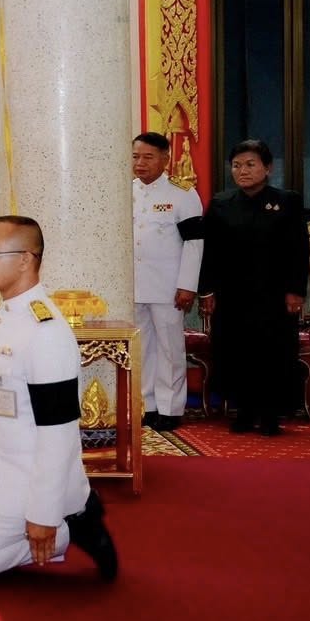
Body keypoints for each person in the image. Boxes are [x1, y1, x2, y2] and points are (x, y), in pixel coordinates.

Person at [0, 215, 118, 583]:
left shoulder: (46, 333)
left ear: (25, 260)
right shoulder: (7, 315)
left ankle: (71, 528)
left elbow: (58, 433)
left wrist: (44, 514)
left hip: (29, 480)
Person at [199, 140, 309, 435]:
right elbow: (209, 252)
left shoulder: (287, 201)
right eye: (236, 165)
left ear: (267, 168)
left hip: (275, 294)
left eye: (250, 164)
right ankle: (244, 411)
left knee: (274, 351)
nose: (242, 171)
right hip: (232, 294)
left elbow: (298, 249)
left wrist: (296, 290)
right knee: (236, 350)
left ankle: (271, 414)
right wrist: (207, 290)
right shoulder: (221, 203)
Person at [131, 131, 204, 432]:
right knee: (141, 348)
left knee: (170, 349)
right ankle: (146, 405)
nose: (140, 163)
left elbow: (194, 243)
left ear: (165, 158)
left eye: (148, 157)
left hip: (168, 286)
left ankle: (171, 408)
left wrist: (187, 284)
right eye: (136, 156)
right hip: (134, 286)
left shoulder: (182, 194)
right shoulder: (126, 191)